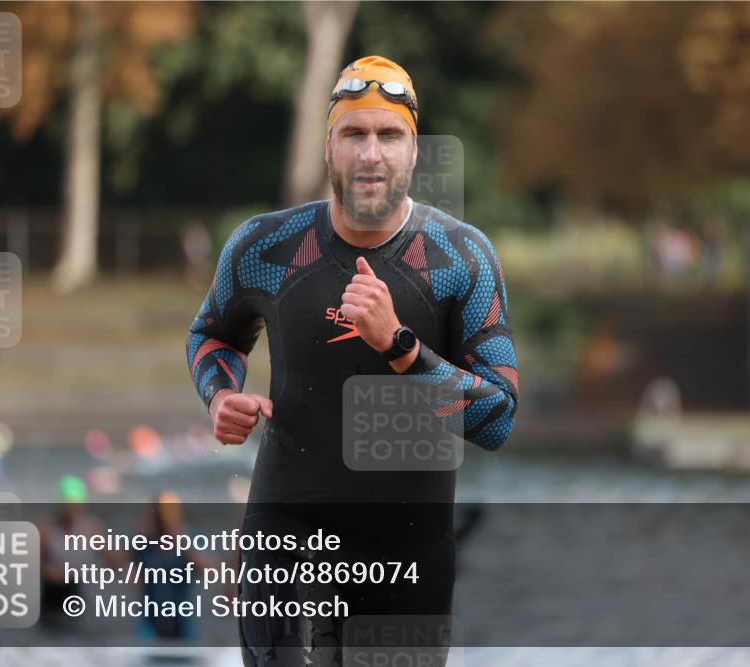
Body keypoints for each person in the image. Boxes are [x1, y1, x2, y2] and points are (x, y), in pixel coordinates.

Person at [186, 55, 518, 666]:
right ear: (328, 148)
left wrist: (401, 348)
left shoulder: (462, 257)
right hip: (285, 529)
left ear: (414, 151)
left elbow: (496, 418)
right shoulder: (263, 246)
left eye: (389, 135)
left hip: (406, 547)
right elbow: (213, 336)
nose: (371, 154)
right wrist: (221, 395)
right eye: (354, 134)